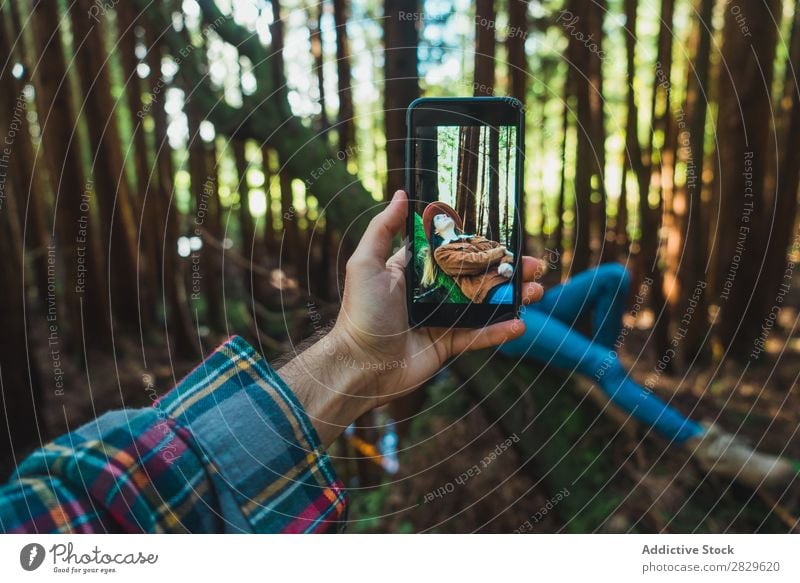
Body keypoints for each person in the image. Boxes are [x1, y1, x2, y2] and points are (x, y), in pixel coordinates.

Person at [0, 190, 545, 533]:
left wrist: (353, 354)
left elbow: (112, 499)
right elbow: (112, 501)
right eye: (443, 227)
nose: (448, 233)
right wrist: (355, 353)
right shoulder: (445, 250)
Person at [416, 202, 797, 489]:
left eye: (446, 214)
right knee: (607, 366)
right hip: (502, 321)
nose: (445, 220)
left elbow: (509, 264)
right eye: (437, 220)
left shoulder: (472, 237)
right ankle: (708, 447)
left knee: (614, 276)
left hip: (532, 301)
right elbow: (473, 278)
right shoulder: (441, 254)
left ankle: (599, 368)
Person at [420, 201, 514, 303]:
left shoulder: (474, 238)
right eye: (438, 218)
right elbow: (475, 261)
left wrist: (504, 262)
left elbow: (498, 246)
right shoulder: (441, 252)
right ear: (436, 231)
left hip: (510, 276)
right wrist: (501, 253)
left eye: (445, 214)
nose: (444, 215)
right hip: (492, 288)